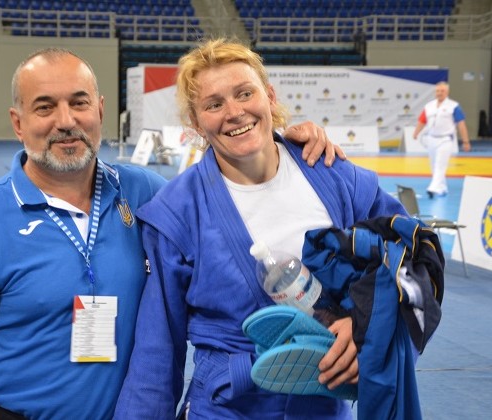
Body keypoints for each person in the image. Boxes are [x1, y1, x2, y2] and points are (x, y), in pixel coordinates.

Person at [0, 47, 344, 420]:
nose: (66, 121)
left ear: (100, 110)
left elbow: (233, 186)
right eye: (45, 107)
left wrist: (289, 148)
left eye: (79, 103)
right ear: (18, 123)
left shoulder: (146, 193)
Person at [114, 38, 408, 419]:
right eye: (214, 104)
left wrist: (365, 322)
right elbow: (157, 350)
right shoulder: (177, 211)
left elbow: (407, 257)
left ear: (269, 96)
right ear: (196, 123)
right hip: (226, 408)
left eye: (245, 93)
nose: (234, 112)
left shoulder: (334, 177)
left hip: (323, 403)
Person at [412, 81, 471, 198]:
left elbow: (461, 124)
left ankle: (433, 188)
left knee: (440, 164)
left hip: (446, 139)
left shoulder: (453, 106)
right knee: (434, 165)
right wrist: (416, 132)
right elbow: (422, 121)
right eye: (438, 91)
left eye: (442, 91)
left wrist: (466, 141)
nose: (439, 93)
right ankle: (442, 188)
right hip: (431, 139)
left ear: (447, 92)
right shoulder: (429, 106)